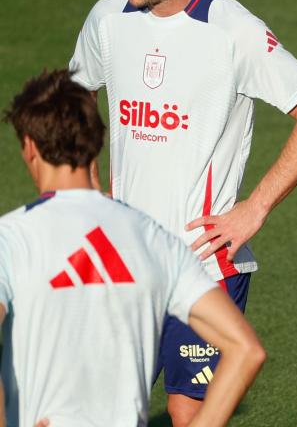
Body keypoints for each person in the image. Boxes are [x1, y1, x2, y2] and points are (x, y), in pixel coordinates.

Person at [67, 0, 297, 424]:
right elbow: (76, 96)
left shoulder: (232, 30)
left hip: (205, 264)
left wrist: (255, 208)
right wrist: (87, 191)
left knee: (190, 415)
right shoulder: (107, 18)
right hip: (123, 260)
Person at [0, 70, 265, 427]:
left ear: (29, 146)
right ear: (97, 140)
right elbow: (246, 350)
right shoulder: (154, 239)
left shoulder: (11, 238)